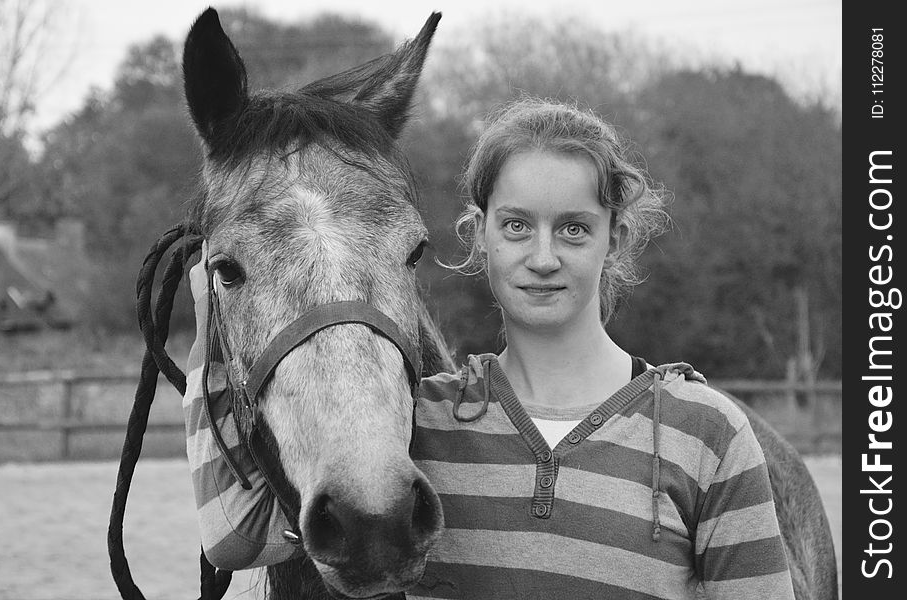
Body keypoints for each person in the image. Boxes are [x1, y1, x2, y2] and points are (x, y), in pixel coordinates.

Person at [182, 98, 796, 599]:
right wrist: (215, 298)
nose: (544, 257)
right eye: (517, 225)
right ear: (479, 236)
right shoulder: (413, 427)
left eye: (575, 228)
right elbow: (231, 535)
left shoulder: (710, 433)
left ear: (618, 238)